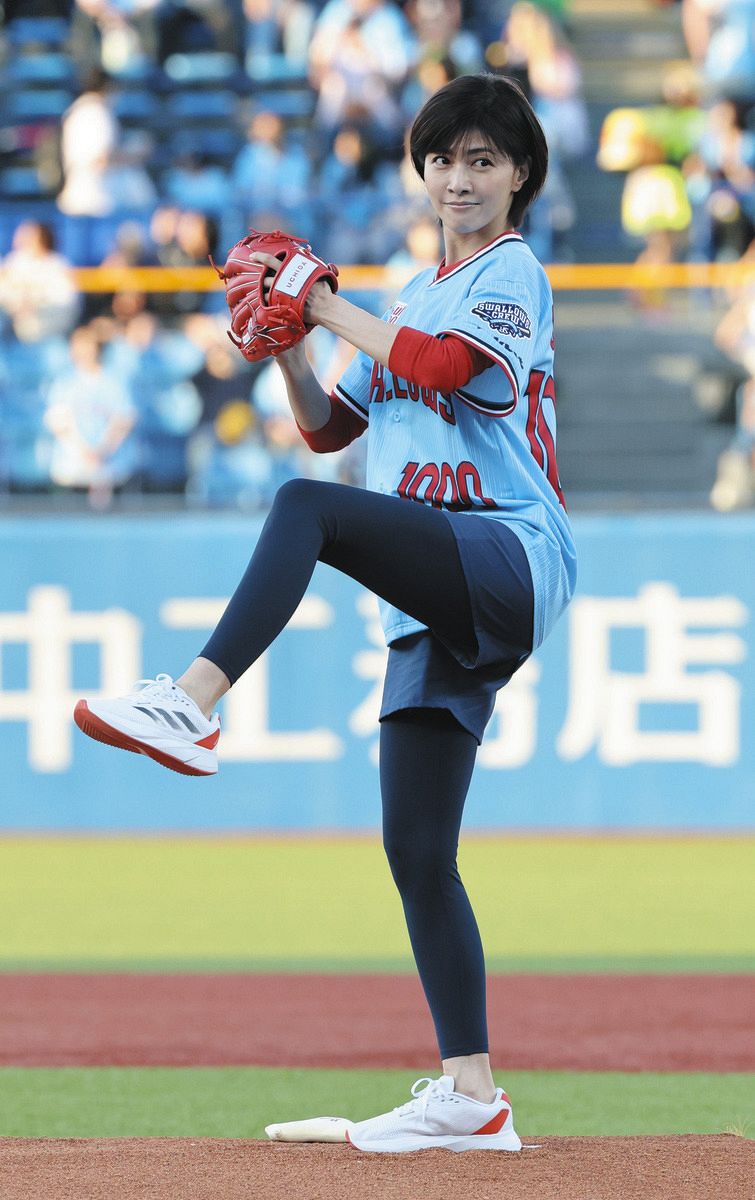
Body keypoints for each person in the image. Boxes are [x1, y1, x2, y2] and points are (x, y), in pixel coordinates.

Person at [74, 73, 577, 1152]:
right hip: (434, 585)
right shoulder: (407, 290)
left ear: (519, 175)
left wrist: (319, 298)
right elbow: (325, 427)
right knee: (416, 848)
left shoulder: (511, 270)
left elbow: (442, 365)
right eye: (441, 158)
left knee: (308, 510)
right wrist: (289, 344)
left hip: (506, 549)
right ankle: (471, 1094)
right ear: (421, 171)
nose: (458, 177)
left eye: (483, 159)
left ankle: (192, 703)